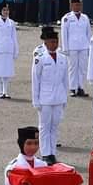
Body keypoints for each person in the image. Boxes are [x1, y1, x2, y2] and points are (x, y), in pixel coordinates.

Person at [31, 26, 68, 165]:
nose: (54, 44)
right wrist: (36, 100)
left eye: (55, 41)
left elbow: (65, 80)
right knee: (44, 127)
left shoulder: (63, 58)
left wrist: (64, 98)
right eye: (51, 42)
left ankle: (53, 152)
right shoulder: (40, 59)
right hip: (45, 98)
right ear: (45, 43)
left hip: (58, 97)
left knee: (54, 126)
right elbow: (36, 81)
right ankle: (45, 153)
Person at [60, 0, 91, 97]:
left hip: (83, 45)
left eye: (79, 5)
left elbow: (88, 33)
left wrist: (89, 47)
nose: (78, 7)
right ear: (71, 5)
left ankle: (81, 87)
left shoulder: (85, 18)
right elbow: (64, 34)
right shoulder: (67, 18)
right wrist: (65, 49)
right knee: (73, 67)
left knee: (82, 67)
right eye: (76, 5)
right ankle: (72, 88)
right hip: (72, 46)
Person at [0, 3, 19, 99]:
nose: (6, 12)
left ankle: (5, 91)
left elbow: (14, 37)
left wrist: (15, 50)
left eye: (7, 10)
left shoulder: (11, 23)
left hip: (8, 49)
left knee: (7, 71)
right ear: (0, 11)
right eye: (4, 10)